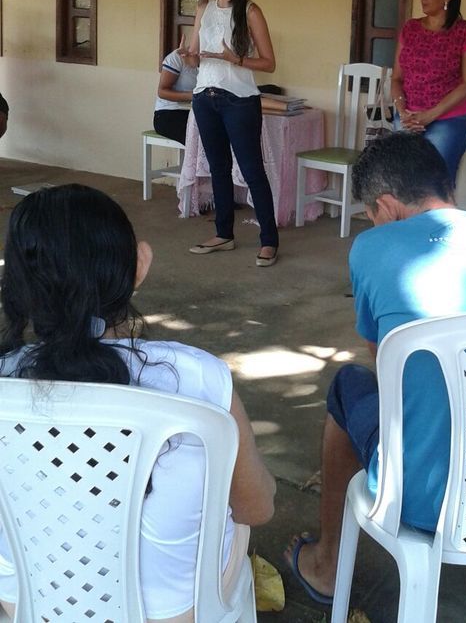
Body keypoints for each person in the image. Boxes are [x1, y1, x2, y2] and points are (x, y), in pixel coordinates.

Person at [284, 132, 466, 605]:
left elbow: (389, 371)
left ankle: (327, 566)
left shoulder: (371, 251)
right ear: (446, 187)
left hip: (418, 497)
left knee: (348, 387)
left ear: (386, 205)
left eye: (371, 215)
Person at [0, 184, 276, 623]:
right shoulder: (197, 378)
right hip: (175, 614)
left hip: (28, 608)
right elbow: (257, 507)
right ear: (138, 266)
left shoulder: (5, 377)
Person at [188, 0, 279, 266]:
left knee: (253, 171)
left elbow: (269, 63)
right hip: (205, 96)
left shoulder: (251, 12)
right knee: (217, 169)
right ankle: (223, 233)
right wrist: (187, 56)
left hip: (239, 100)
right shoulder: (203, 10)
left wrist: (235, 59)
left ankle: (269, 240)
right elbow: (194, 53)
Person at [390, 0, 466, 185]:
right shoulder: (410, 28)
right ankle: (412, 221)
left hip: (449, 119)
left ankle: (439, 220)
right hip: (408, 118)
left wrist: (431, 115)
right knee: (404, 184)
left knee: (435, 183)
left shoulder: (464, 30)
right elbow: (396, 79)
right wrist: (403, 113)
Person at [153, 37, 198, 145]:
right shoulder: (177, 57)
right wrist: (194, 96)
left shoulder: (216, 62)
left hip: (197, 112)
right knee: (202, 139)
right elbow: (162, 92)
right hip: (170, 112)